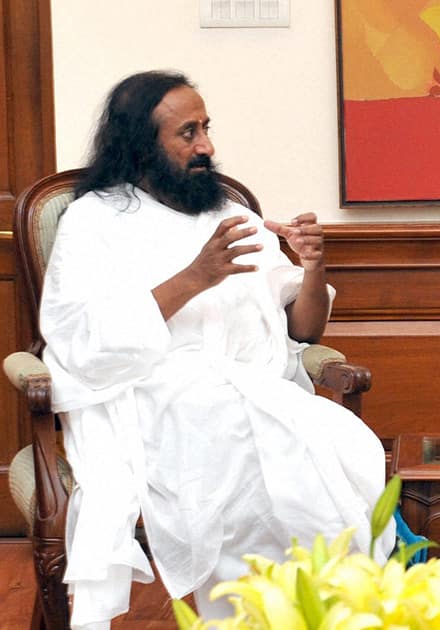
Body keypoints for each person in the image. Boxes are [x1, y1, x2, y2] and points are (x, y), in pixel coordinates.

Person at [39, 70, 395, 629]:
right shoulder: (95, 221)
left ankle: (316, 613)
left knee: (328, 450)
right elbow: (81, 340)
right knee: (253, 440)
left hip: (252, 388)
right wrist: (194, 277)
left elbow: (304, 332)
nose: (206, 145)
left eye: (206, 128)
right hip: (146, 397)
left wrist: (311, 265)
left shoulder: (228, 211)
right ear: (141, 144)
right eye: (187, 133)